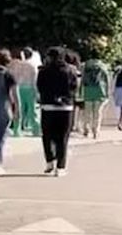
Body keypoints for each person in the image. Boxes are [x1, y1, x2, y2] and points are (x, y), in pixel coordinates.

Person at [37, 47, 77, 177]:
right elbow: (74, 87)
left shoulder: (43, 71)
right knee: (63, 138)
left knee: (47, 136)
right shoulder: (71, 70)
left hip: (48, 107)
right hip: (66, 107)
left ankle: (49, 161)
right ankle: (60, 167)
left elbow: (40, 87)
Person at [8, 48, 39, 137]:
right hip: (29, 88)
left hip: (18, 88)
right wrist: (36, 91)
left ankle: (16, 130)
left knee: (18, 109)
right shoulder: (32, 65)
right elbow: (34, 79)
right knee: (32, 110)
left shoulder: (13, 65)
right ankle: (35, 130)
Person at [81, 51, 110, 139]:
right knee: (97, 113)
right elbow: (107, 79)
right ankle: (95, 131)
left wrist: (80, 90)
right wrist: (107, 91)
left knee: (87, 112)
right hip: (99, 90)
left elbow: (82, 78)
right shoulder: (102, 65)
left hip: (88, 90)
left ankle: (86, 128)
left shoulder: (86, 65)